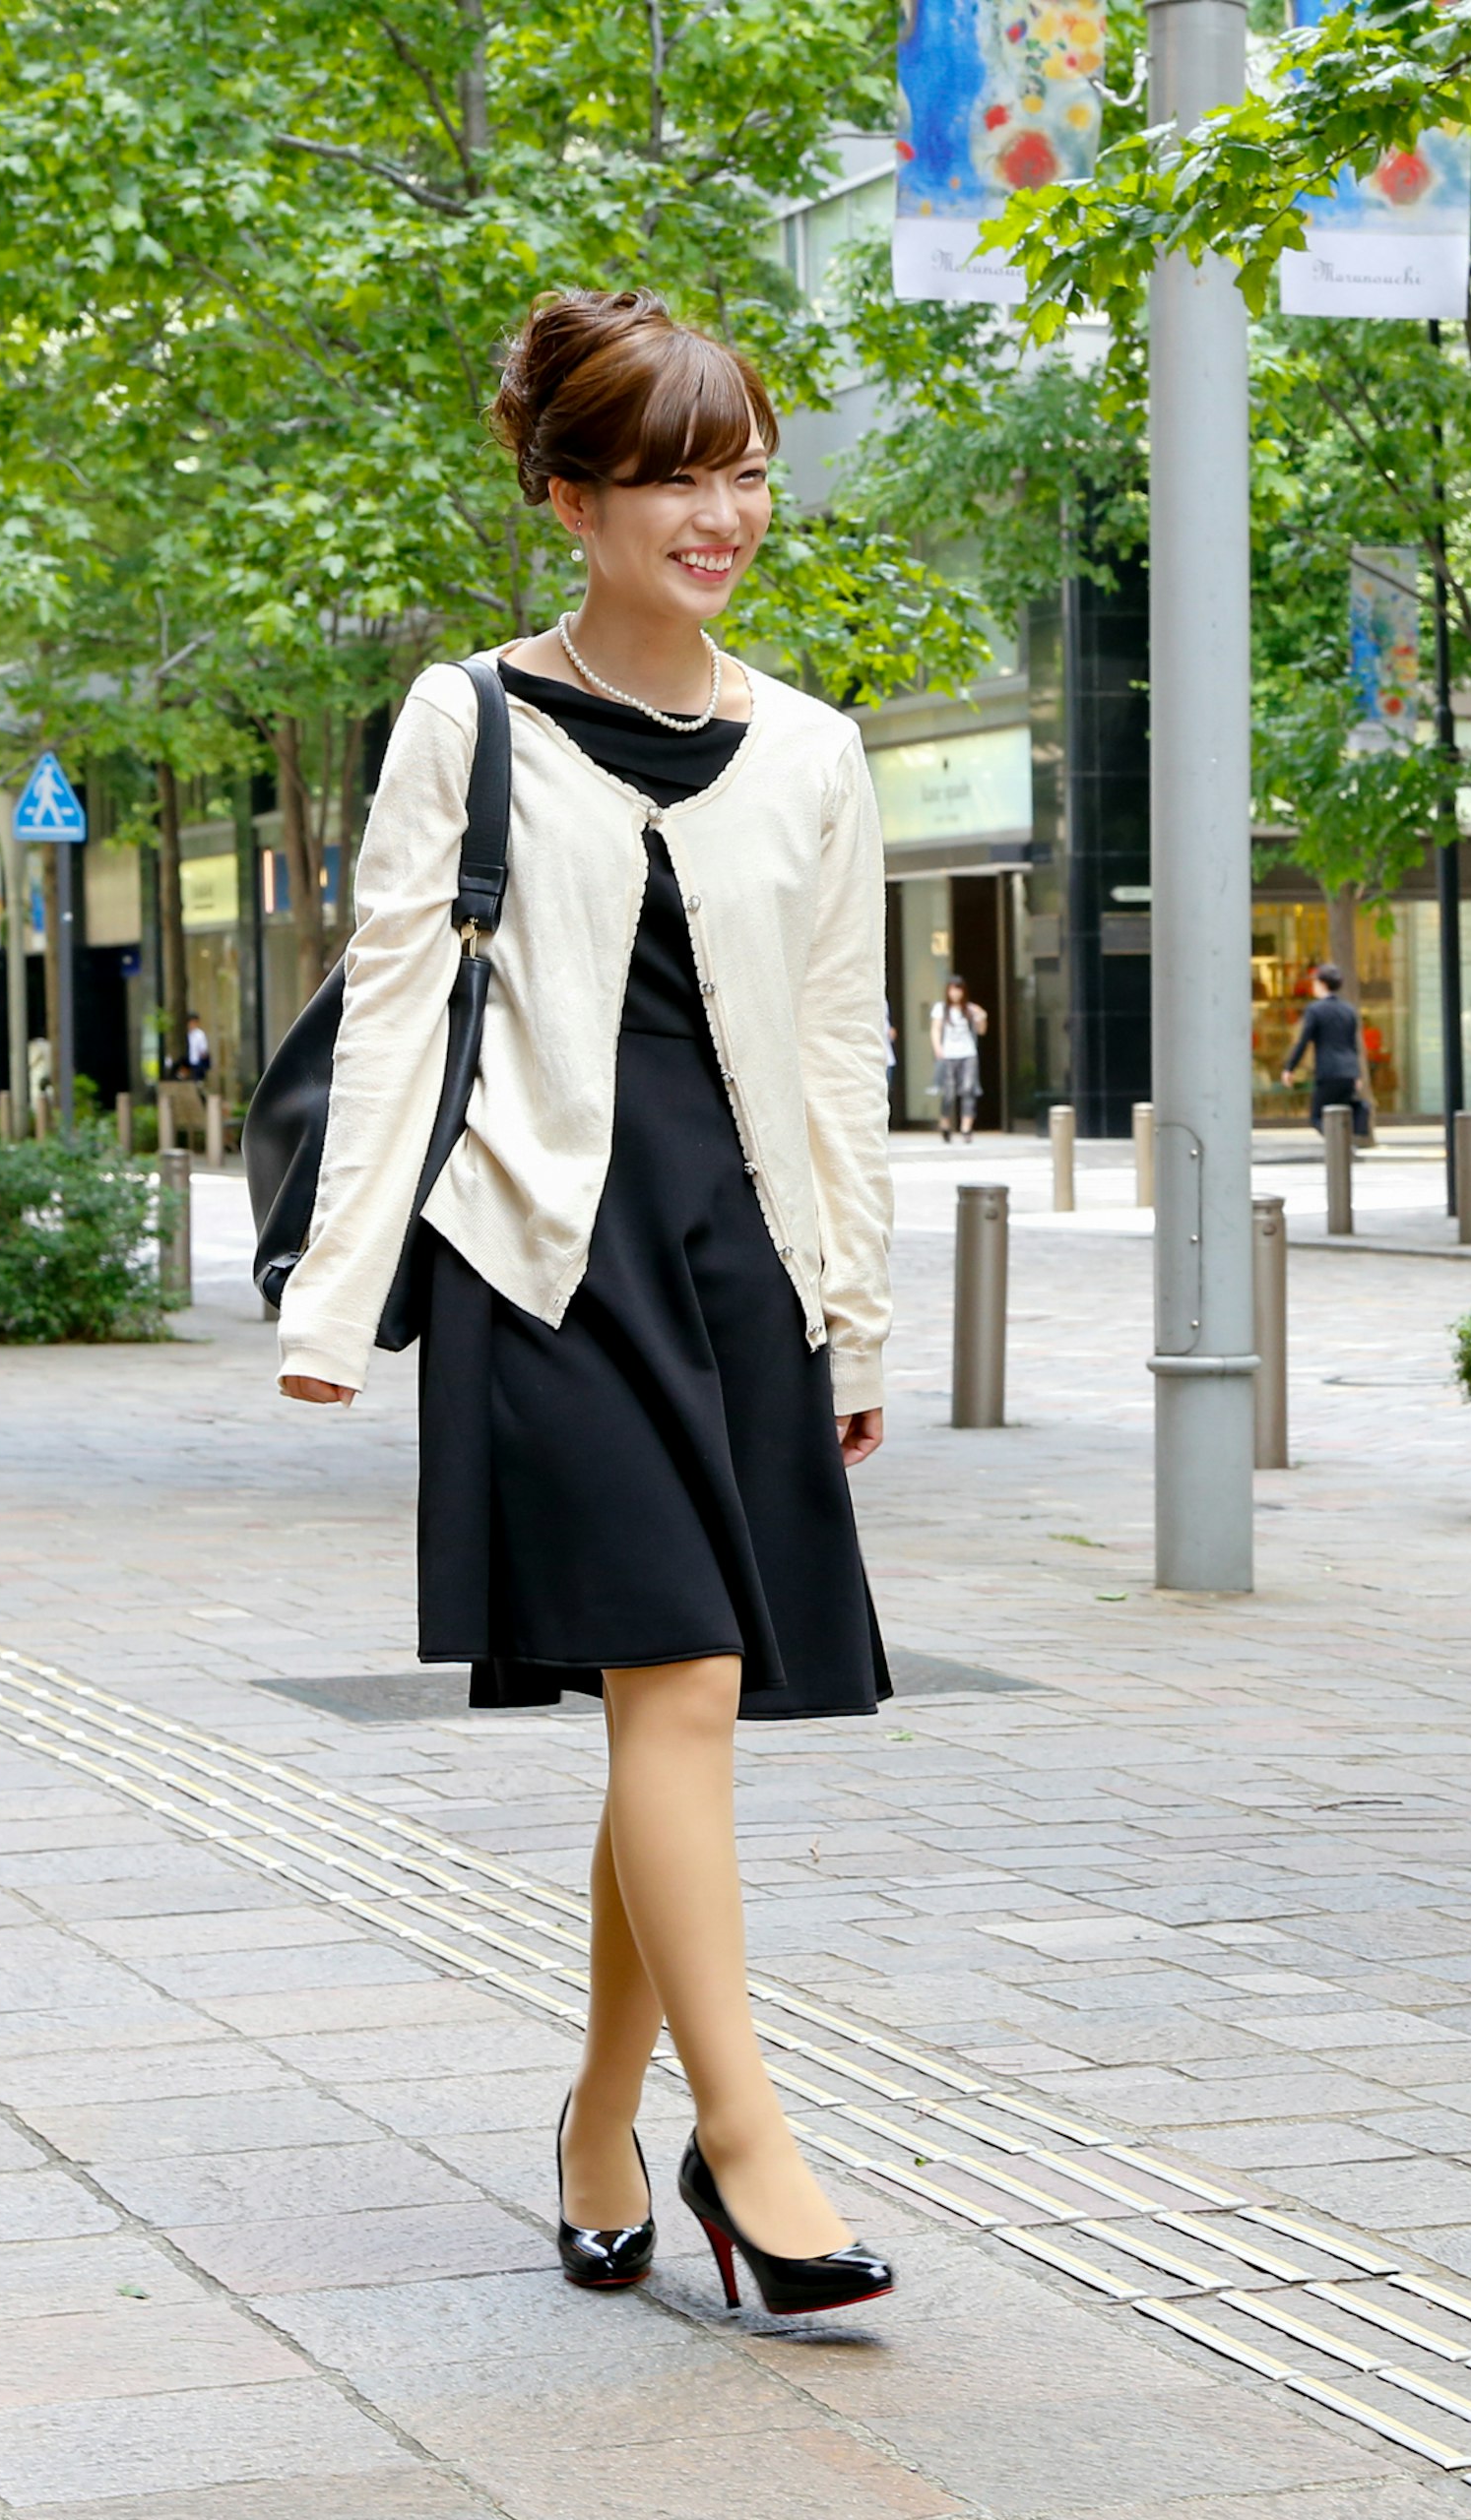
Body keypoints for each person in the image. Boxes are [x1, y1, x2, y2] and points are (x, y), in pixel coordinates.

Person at [275, 288, 894, 2320]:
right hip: (540, 1254)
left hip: (737, 1262)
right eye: (672, 475)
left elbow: (836, 1046)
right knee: (686, 1681)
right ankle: (752, 2139)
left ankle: (599, 2112)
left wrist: (855, 1316)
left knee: (674, 1703)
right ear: (569, 494)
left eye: (743, 471)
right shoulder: (471, 716)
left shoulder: (812, 748)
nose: (722, 512)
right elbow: (394, 1005)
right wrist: (337, 1293)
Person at [1282, 965, 1373, 1144]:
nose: (1313, 986)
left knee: (1317, 1117)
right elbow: (1353, 1044)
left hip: (1328, 1071)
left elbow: (1303, 1041)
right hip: (1349, 1072)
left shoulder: (1315, 1010)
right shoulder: (1349, 1010)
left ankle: (1339, 1148)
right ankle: (1345, 1147)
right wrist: (1357, 1074)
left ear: (1322, 984)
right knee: (1342, 1115)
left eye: (1315, 982)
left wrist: (1289, 1068)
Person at [927, 974, 987, 1143]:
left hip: (968, 1053)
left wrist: (982, 1015)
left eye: (959, 989)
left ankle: (966, 1128)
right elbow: (935, 1029)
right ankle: (945, 1123)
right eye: (952, 989)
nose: (955, 993)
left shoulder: (969, 1009)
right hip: (948, 1054)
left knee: (969, 1090)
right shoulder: (941, 1008)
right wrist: (937, 1048)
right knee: (949, 1092)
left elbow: (981, 1030)